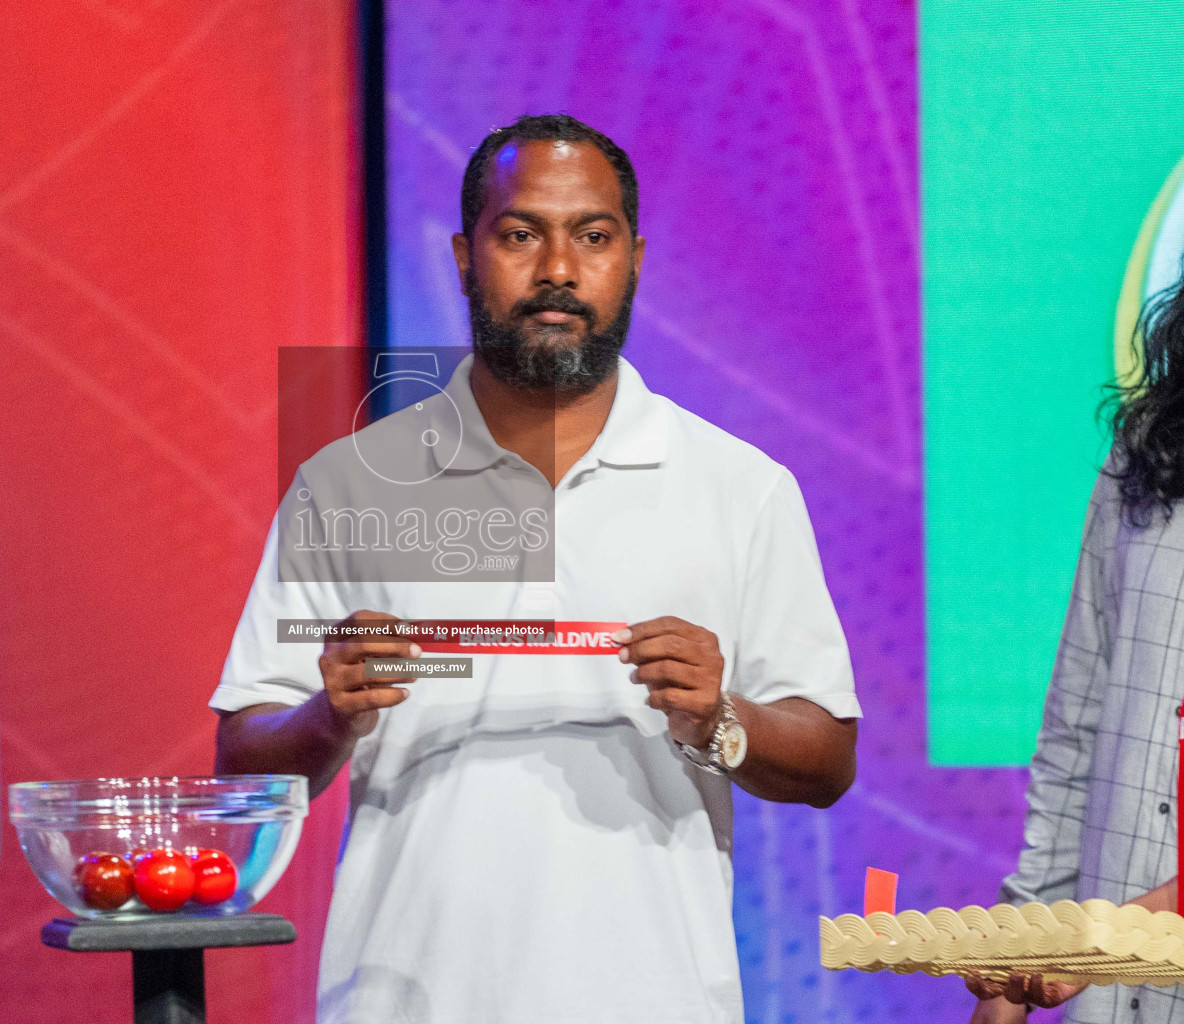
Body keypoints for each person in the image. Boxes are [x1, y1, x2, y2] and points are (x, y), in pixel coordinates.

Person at [211, 114, 861, 1024]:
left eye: (592, 237)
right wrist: (330, 715)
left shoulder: (739, 487)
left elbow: (828, 759)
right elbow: (243, 761)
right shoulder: (348, 482)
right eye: (521, 234)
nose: (558, 269)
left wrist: (721, 718)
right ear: (464, 255)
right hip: (402, 1001)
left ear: (634, 257)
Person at [966, 273, 1184, 1023]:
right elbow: (1078, 719)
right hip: (1113, 992)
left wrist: (1115, 936)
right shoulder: (1147, 448)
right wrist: (1016, 951)